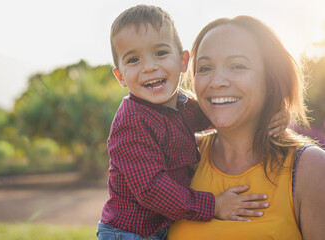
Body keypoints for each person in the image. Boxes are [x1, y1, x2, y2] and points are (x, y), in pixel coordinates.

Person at [97, 5, 287, 239]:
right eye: (134, 59)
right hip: (128, 233)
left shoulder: (183, 106)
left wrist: (270, 112)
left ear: (183, 61)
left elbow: (222, 108)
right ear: (120, 77)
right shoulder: (132, 122)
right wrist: (214, 205)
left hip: (158, 228)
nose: (149, 67)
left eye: (160, 53)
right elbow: (152, 189)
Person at [167, 15, 325, 240]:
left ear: (270, 80)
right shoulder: (182, 160)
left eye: (237, 66)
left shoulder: (310, 169)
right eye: (205, 67)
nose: (217, 81)